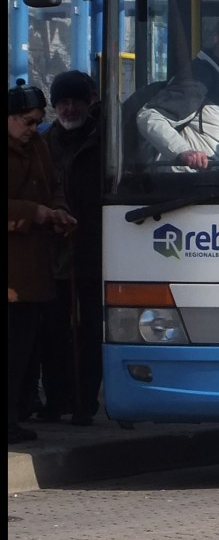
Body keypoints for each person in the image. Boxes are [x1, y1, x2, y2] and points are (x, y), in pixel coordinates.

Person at [8, 79, 77, 444]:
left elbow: (54, 186)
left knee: (23, 350)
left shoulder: (38, 146)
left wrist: (58, 211)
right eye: (26, 121)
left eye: (37, 121)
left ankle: (16, 413)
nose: (33, 128)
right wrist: (32, 212)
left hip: (32, 270)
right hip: (13, 272)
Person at [37, 70, 103, 426]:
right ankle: (56, 399)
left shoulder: (103, 141)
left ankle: (84, 402)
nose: (70, 108)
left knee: (89, 332)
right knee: (53, 332)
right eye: (63, 102)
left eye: (76, 101)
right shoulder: (43, 144)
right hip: (53, 254)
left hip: (93, 252)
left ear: (89, 103)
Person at [137, 22, 219, 170]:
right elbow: (150, 116)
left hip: (216, 181)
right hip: (191, 182)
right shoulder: (200, 79)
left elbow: (205, 116)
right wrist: (183, 152)